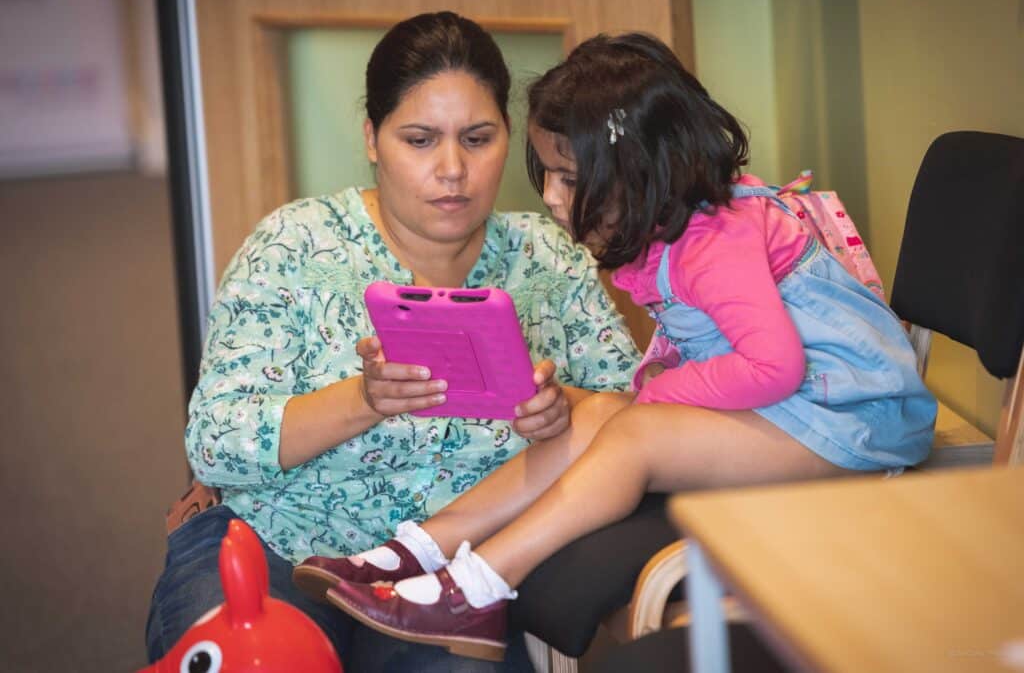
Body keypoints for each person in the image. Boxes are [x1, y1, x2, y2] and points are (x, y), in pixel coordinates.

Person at [308, 32, 938, 661]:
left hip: (851, 420)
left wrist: (661, 393)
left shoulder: (716, 245)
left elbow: (774, 367)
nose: (552, 197)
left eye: (570, 178)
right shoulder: (672, 227)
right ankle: (418, 549)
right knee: (603, 411)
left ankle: (476, 590)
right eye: (548, 173)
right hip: (798, 405)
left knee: (636, 431)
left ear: (641, 173)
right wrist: (642, 398)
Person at [144, 13, 641, 671]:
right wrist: (367, 398)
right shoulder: (296, 244)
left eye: (477, 137)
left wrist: (560, 408)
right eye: (419, 139)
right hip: (280, 547)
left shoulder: (548, 257)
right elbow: (214, 439)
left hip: (450, 589)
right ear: (372, 139)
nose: (453, 169)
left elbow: (639, 414)